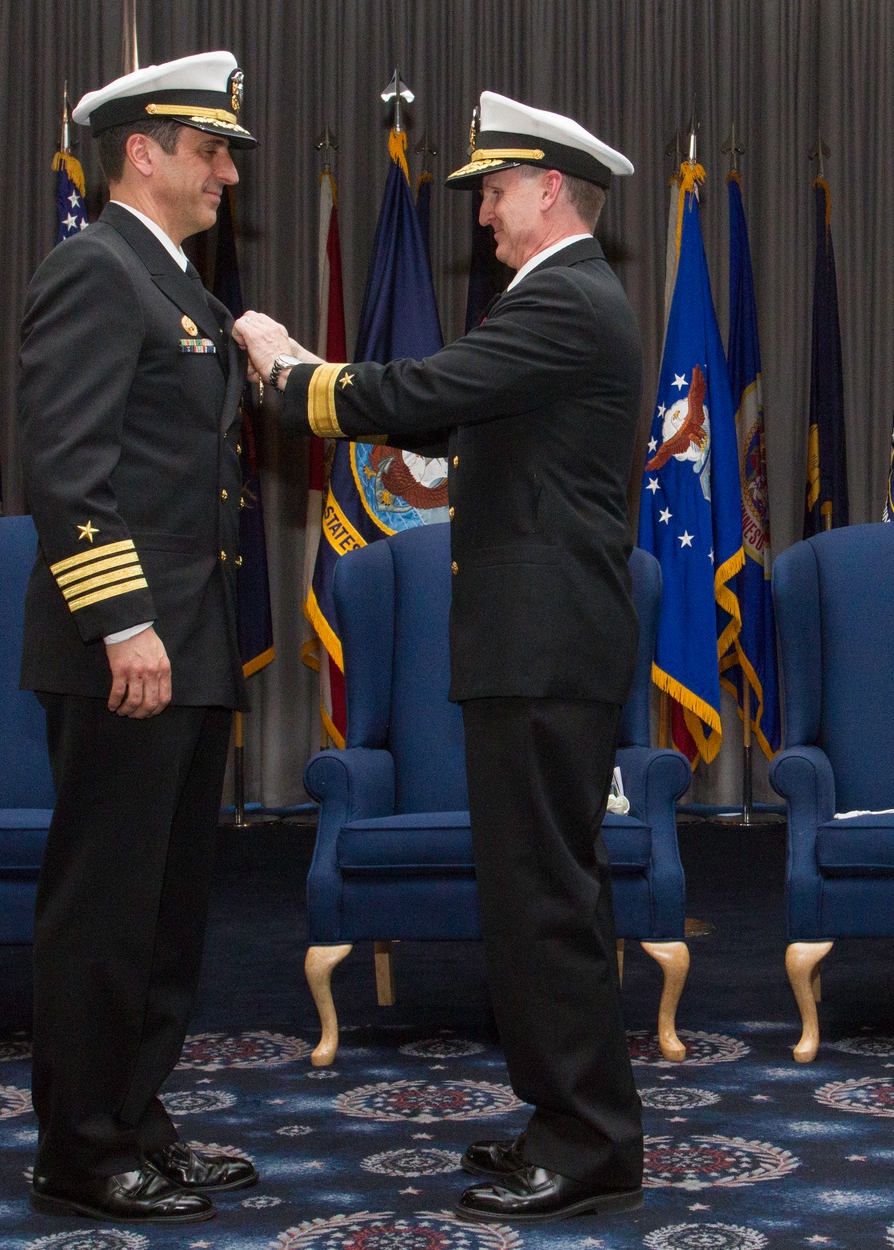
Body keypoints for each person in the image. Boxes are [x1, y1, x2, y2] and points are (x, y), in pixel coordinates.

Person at [234, 91, 645, 1225]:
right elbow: (442, 420)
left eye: (495, 191)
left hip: (543, 645)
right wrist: (337, 393)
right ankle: (569, 1118)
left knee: (545, 898)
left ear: (549, 188)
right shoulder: (556, 301)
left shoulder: (564, 300)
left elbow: (422, 392)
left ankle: (589, 1138)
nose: (481, 217)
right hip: (535, 642)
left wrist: (288, 370)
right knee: (534, 894)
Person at [18, 52, 259, 1225]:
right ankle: (76, 1144)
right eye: (209, 150)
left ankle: (135, 1117)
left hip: (190, 649)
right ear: (141, 153)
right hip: (126, 650)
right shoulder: (94, 271)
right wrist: (124, 624)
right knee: (104, 907)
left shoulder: (182, 291)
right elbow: (71, 472)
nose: (226, 171)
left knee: (166, 910)